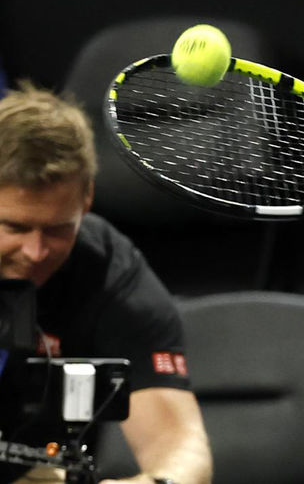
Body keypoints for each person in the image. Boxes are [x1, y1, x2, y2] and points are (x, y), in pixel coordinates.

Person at [0, 83, 212, 484]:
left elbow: (181, 449)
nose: (36, 252)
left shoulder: (111, 274)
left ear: (87, 199)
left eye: (58, 229)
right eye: (15, 227)